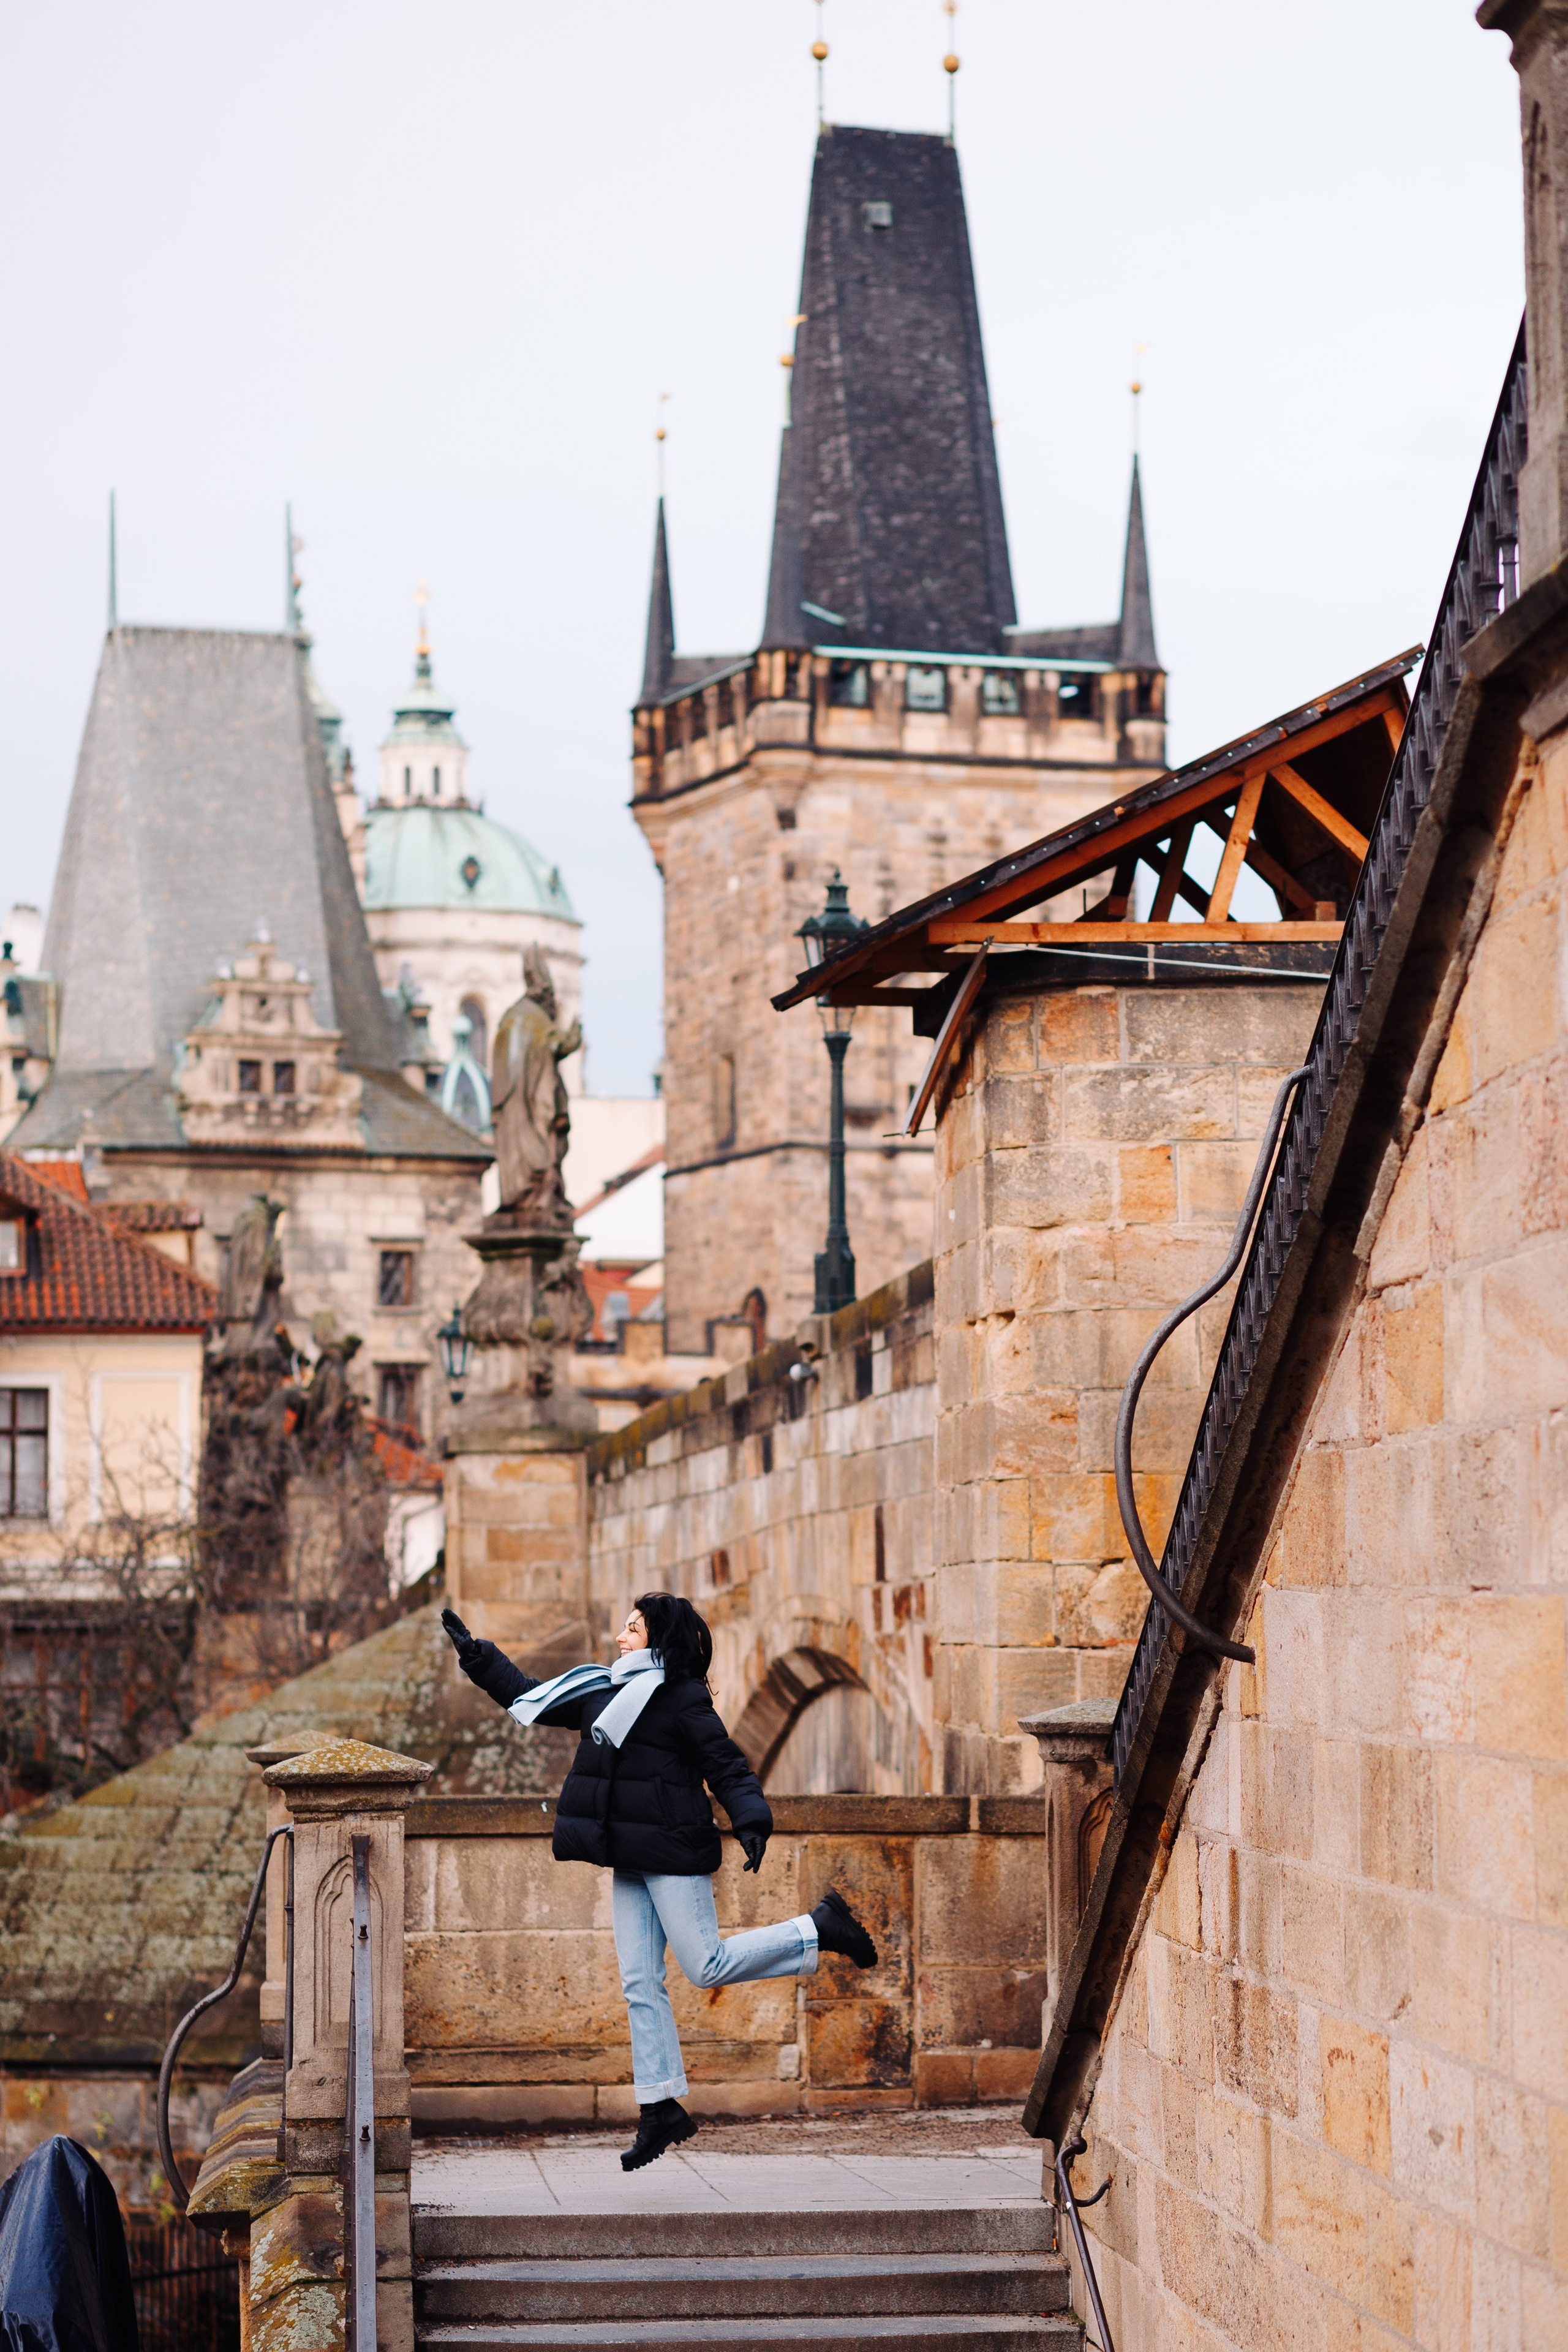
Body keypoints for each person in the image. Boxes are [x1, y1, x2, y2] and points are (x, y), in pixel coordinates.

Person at [440, 1593, 878, 2171]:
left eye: (632, 1629)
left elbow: (725, 1763)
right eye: (623, 1629)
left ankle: (820, 1928)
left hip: (672, 1852)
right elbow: (529, 1696)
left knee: (706, 1965)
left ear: (659, 1639)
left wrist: (750, 1818)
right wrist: (477, 1656)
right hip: (629, 1858)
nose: (620, 1639)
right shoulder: (601, 1689)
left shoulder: (682, 1698)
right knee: (640, 1983)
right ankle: (660, 2108)